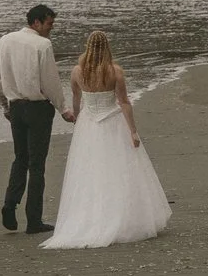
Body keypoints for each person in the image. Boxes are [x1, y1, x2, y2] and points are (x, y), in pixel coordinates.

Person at [42, 29, 171, 250]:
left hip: (89, 125)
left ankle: (91, 218)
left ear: (88, 46)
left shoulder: (76, 72)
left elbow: (76, 98)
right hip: (112, 123)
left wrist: (77, 119)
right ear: (107, 47)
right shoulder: (115, 71)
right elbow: (124, 102)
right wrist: (132, 131)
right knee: (119, 169)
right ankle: (122, 217)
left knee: (90, 171)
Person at [0, 3, 73, 234]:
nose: (51, 29)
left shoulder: (5, 40)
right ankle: (34, 220)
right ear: (36, 22)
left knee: (20, 158)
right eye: (49, 24)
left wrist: (3, 104)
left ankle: (10, 203)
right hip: (37, 108)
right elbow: (50, 82)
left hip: (15, 107)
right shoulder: (42, 44)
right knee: (36, 165)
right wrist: (63, 108)